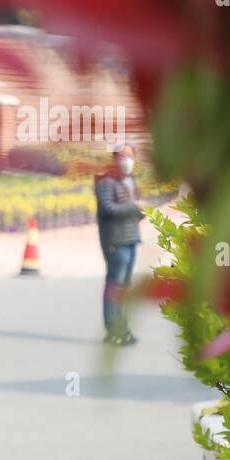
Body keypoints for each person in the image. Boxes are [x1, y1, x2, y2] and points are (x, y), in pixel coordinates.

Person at [94, 142, 145, 345]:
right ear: (114, 158)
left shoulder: (129, 180)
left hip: (131, 238)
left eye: (130, 156)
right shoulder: (106, 181)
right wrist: (134, 207)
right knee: (115, 285)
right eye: (123, 156)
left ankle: (122, 328)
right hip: (115, 241)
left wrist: (141, 211)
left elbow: (131, 208)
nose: (127, 160)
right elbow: (108, 208)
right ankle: (113, 330)